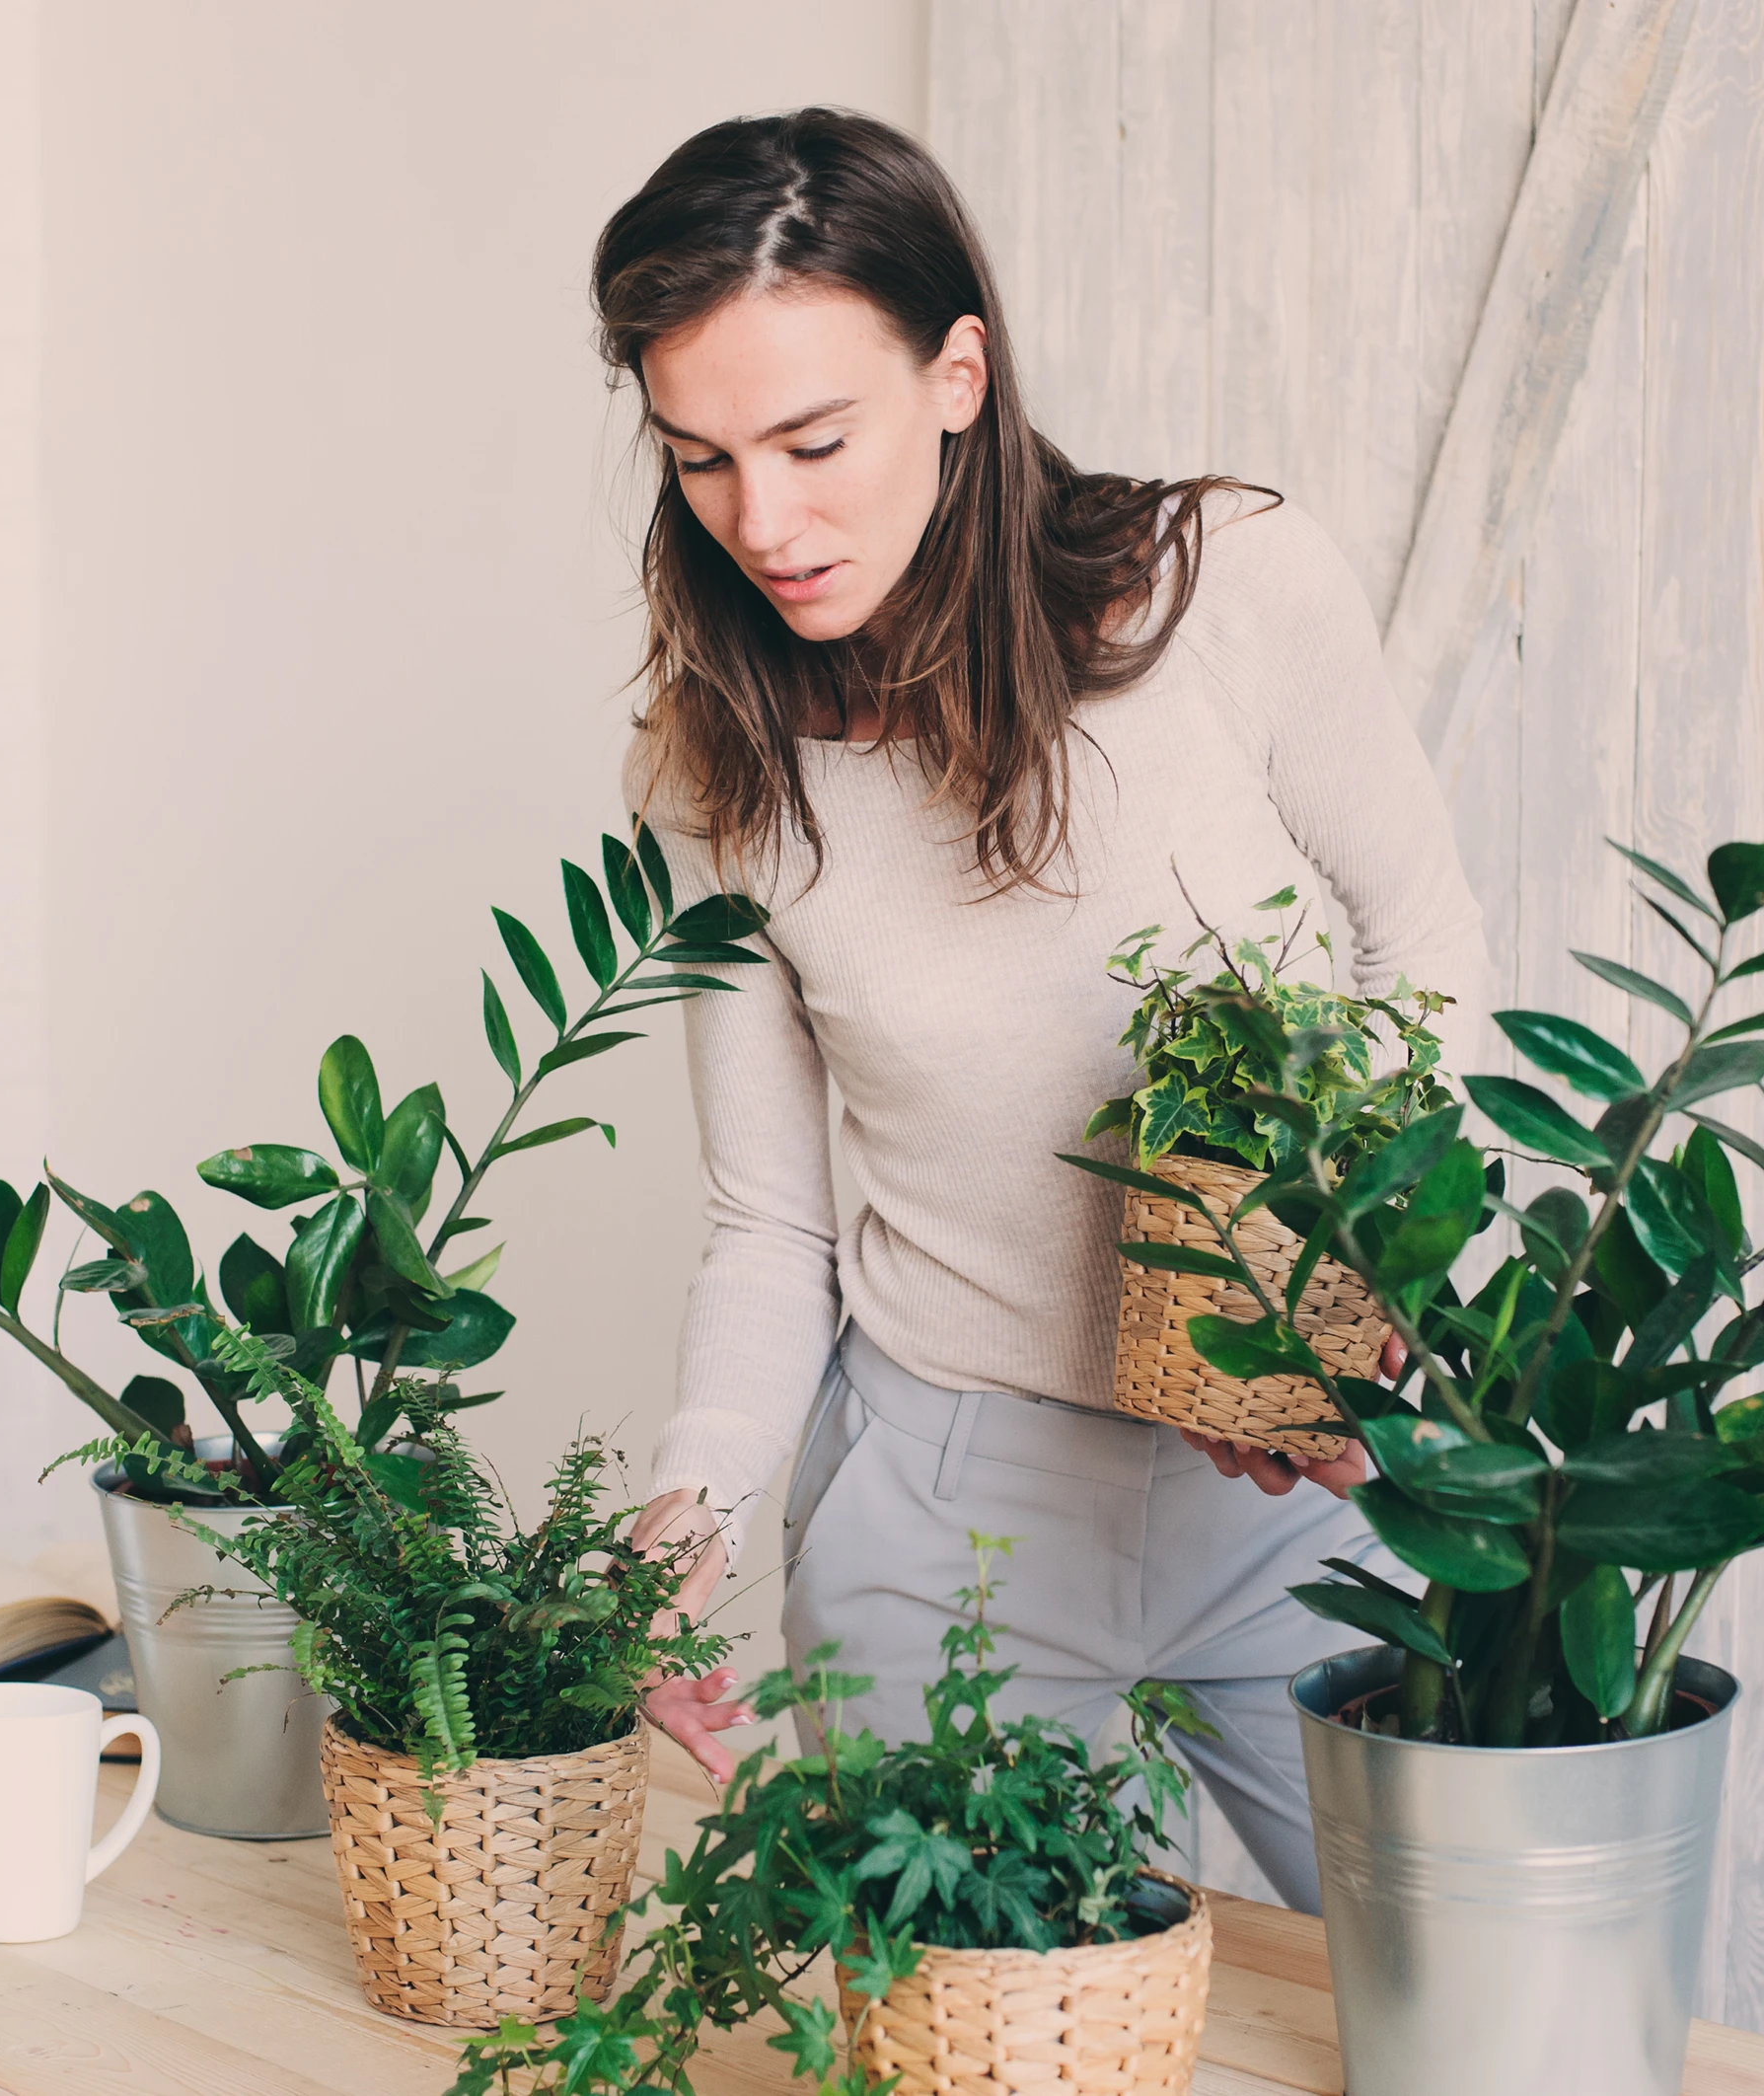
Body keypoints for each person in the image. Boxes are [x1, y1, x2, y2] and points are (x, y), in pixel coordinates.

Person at [599, 108, 1486, 1913]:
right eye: (700, 460)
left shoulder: (1223, 587)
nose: (763, 520)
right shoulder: (716, 762)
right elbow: (772, 1222)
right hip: (947, 1508)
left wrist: (1349, 1308)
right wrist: (688, 1518)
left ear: (958, 375)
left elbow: (1428, 947)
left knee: (1463, 2009)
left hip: (1307, 1487)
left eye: (812, 440)